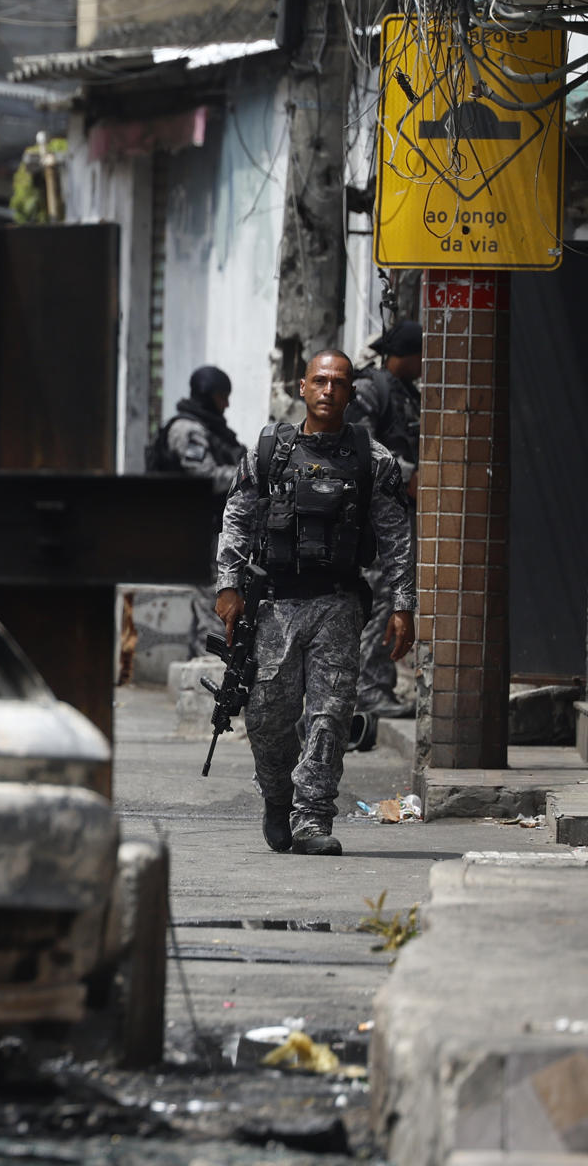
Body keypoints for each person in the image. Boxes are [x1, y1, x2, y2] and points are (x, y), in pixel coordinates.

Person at [214, 350, 416, 857]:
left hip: (338, 605)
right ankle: (278, 798)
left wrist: (403, 604)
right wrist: (228, 586)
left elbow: (397, 536)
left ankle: (312, 818)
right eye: (320, 380)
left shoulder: (374, 460)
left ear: (351, 393)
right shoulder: (268, 451)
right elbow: (236, 517)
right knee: (266, 717)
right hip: (275, 606)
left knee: (330, 715)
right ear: (301, 388)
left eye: (339, 383)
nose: (329, 390)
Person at [345, 320, 422, 721]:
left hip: (397, 512)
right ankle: (370, 692)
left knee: (394, 598)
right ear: (404, 356)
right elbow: (361, 443)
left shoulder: (405, 392)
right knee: (379, 600)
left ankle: (376, 687)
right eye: (419, 356)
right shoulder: (371, 389)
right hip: (375, 513)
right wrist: (407, 476)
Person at [150, 365, 248, 651]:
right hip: (195, 529)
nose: (226, 404)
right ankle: (210, 670)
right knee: (213, 600)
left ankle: (200, 665)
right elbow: (203, 476)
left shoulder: (207, 429)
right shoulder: (188, 429)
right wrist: (246, 475)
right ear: (208, 395)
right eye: (222, 396)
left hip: (209, 527)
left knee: (208, 601)